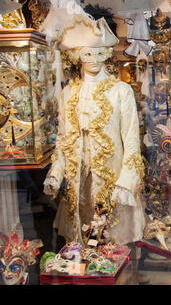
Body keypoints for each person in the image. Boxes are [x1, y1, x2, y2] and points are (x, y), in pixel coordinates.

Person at [43, 15, 146, 247]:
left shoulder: (121, 91)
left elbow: (131, 140)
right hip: (78, 177)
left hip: (112, 176)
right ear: (78, 55)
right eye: (88, 53)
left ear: (108, 53)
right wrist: (55, 174)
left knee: (112, 241)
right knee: (80, 243)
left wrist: (126, 181)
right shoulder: (68, 93)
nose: (94, 59)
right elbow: (63, 140)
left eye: (100, 53)